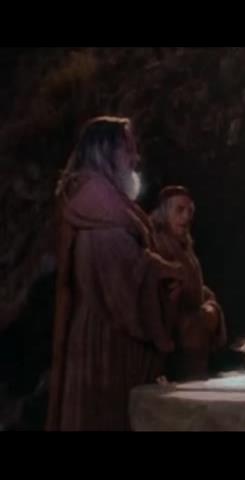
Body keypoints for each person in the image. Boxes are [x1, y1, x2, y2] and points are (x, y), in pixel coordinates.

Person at [47, 117, 183, 431]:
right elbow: (99, 279)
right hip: (98, 343)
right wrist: (164, 272)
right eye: (128, 149)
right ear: (104, 152)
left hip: (119, 341)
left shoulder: (117, 207)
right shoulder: (87, 204)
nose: (136, 158)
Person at [151, 186, 227, 381]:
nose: (186, 217)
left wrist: (208, 301)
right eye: (179, 210)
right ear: (164, 212)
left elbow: (192, 283)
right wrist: (202, 314)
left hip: (194, 340)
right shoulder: (157, 245)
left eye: (190, 211)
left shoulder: (184, 244)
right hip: (178, 343)